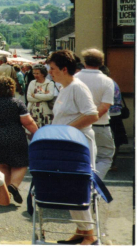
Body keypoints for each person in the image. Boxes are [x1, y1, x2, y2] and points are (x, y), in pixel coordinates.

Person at [47, 50, 99, 245]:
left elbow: (92, 115)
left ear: (64, 69)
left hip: (79, 144)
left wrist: (65, 130)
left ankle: (90, 236)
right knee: (70, 186)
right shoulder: (64, 88)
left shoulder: (78, 87)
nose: (50, 72)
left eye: (52, 69)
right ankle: (81, 229)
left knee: (77, 187)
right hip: (67, 144)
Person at [0, 76, 38, 204]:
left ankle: (5, 194)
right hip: (14, 136)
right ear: (12, 89)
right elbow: (28, 122)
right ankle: (14, 186)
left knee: (1, 163)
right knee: (21, 163)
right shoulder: (17, 103)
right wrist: (39, 133)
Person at [75, 49, 115, 180]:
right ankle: (94, 183)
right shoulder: (107, 81)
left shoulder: (75, 79)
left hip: (78, 126)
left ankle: (82, 183)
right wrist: (90, 118)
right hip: (100, 125)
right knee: (105, 157)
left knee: (81, 157)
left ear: (84, 61)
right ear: (101, 62)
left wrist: (83, 121)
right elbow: (104, 107)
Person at [102, 67, 128, 172]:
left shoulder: (106, 84)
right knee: (116, 139)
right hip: (116, 114)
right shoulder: (113, 83)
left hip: (109, 115)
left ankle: (109, 162)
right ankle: (112, 162)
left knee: (112, 139)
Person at [26, 65, 55, 130]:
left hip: (46, 113)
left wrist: (35, 95)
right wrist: (44, 96)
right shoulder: (32, 83)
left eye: (37, 73)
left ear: (43, 74)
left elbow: (50, 96)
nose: (35, 75)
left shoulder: (49, 83)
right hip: (33, 112)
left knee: (46, 131)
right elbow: (29, 98)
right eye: (34, 73)